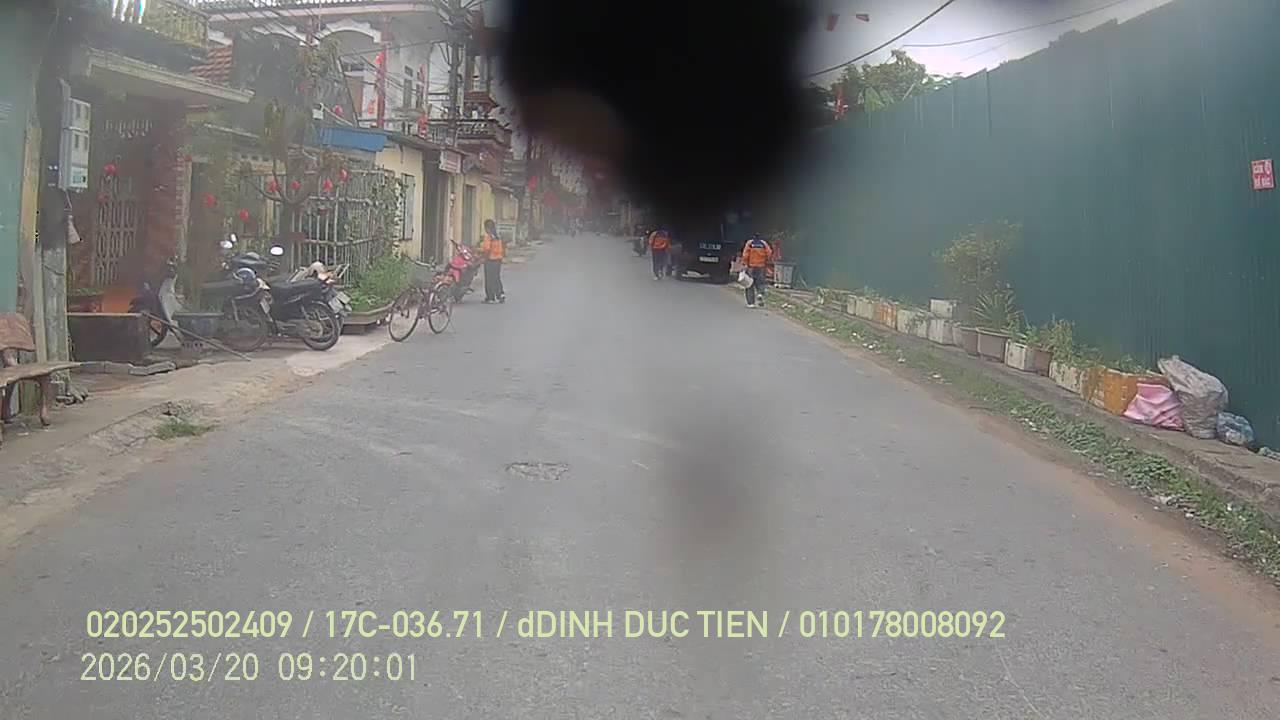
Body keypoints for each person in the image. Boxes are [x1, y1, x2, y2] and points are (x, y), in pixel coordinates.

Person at [740, 233, 772, 308]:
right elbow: (769, 253)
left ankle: (751, 303)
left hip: (751, 266)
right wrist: (766, 260)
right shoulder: (763, 243)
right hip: (761, 266)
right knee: (760, 282)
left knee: (749, 284)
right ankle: (760, 294)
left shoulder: (750, 243)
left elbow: (745, 254)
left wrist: (744, 263)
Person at [479, 219, 506, 303]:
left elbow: (487, 249)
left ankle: (490, 297)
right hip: (498, 259)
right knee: (496, 277)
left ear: (487, 228)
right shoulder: (497, 236)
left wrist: (483, 257)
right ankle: (500, 294)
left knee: (489, 279)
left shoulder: (488, 237)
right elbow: (502, 247)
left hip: (490, 260)